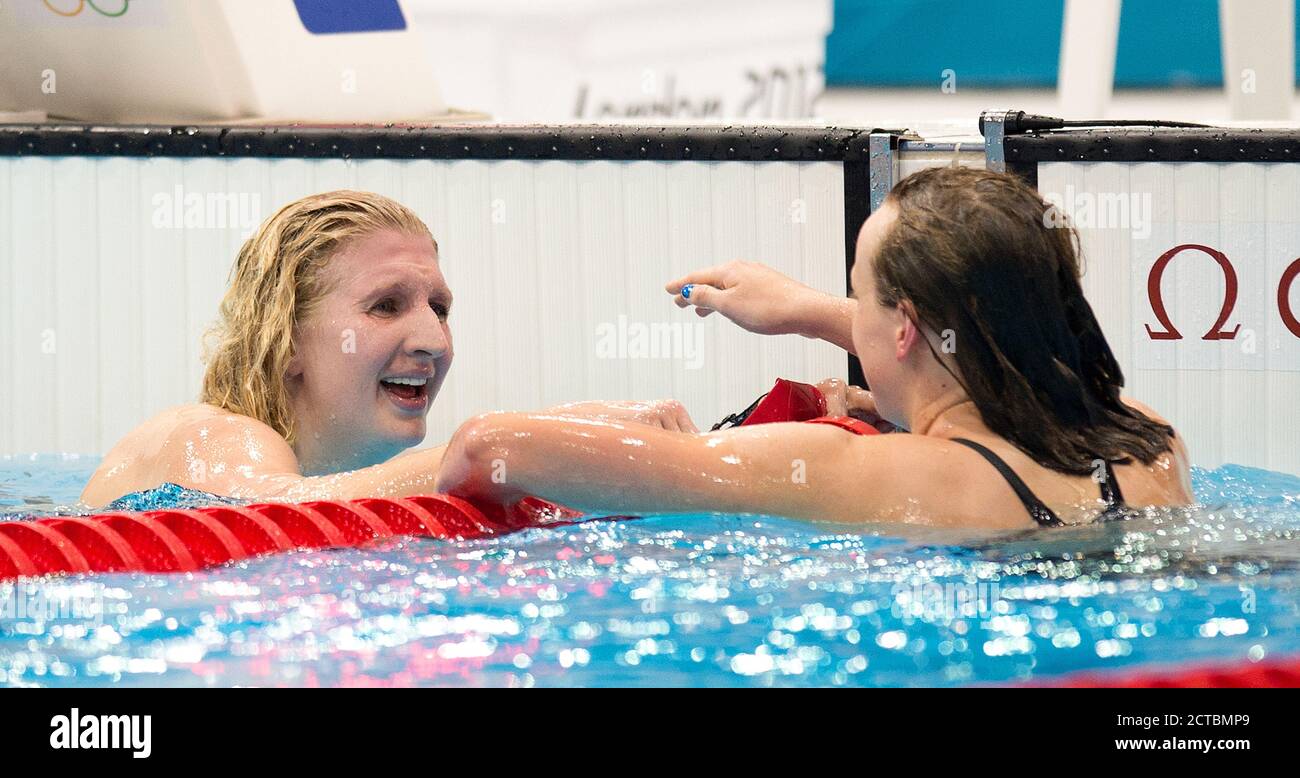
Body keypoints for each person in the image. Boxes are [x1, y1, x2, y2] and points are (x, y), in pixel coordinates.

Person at [435, 166, 1194, 528]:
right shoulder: (1150, 442)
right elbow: (1019, 346)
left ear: (902, 326)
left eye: (856, 293)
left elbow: (484, 449)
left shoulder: (867, 472)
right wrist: (809, 311)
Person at [81, 190, 696, 508]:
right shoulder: (208, 434)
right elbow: (284, 508)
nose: (434, 341)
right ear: (285, 339)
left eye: (440, 308)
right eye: (385, 306)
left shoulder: (331, 468)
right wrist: (540, 439)